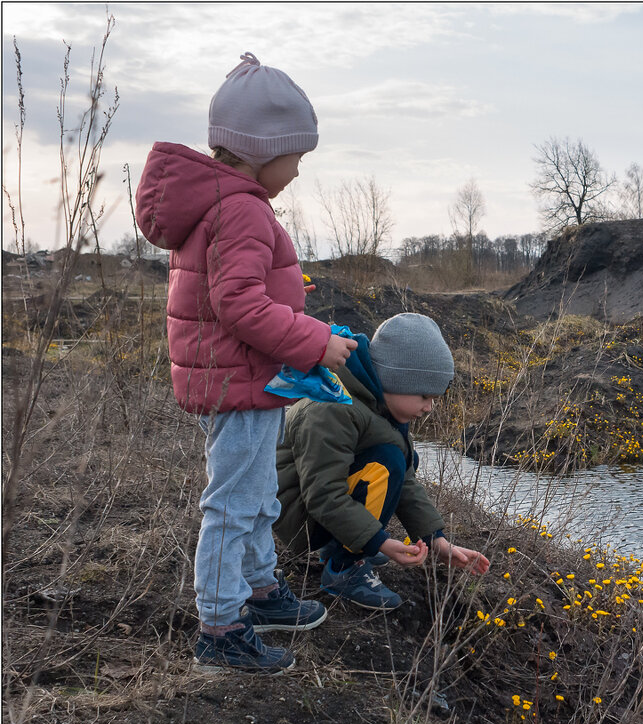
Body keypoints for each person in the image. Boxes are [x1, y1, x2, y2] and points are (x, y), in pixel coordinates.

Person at [135, 53, 359, 674]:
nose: (297, 170)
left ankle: (259, 591)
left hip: (244, 378)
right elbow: (237, 304)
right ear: (263, 149)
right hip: (241, 381)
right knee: (234, 504)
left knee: (257, 496)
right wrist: (315, 341)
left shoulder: (227, 203)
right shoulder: (242, 208)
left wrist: (289, 302)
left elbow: (233, 292)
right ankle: (221, 625)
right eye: (296, 156)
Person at [275, 313, 490, 609]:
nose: (429, 408)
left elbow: (406, 481)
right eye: (424, 395)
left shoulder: (380, 407)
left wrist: (436, 540)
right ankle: (343, 568)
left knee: (395, 461)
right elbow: (323, 495)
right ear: (395, 379)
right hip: (297, 518)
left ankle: (347, 545)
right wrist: (380, 543)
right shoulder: (331, 409)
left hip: (315, 508)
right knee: (385, 463)